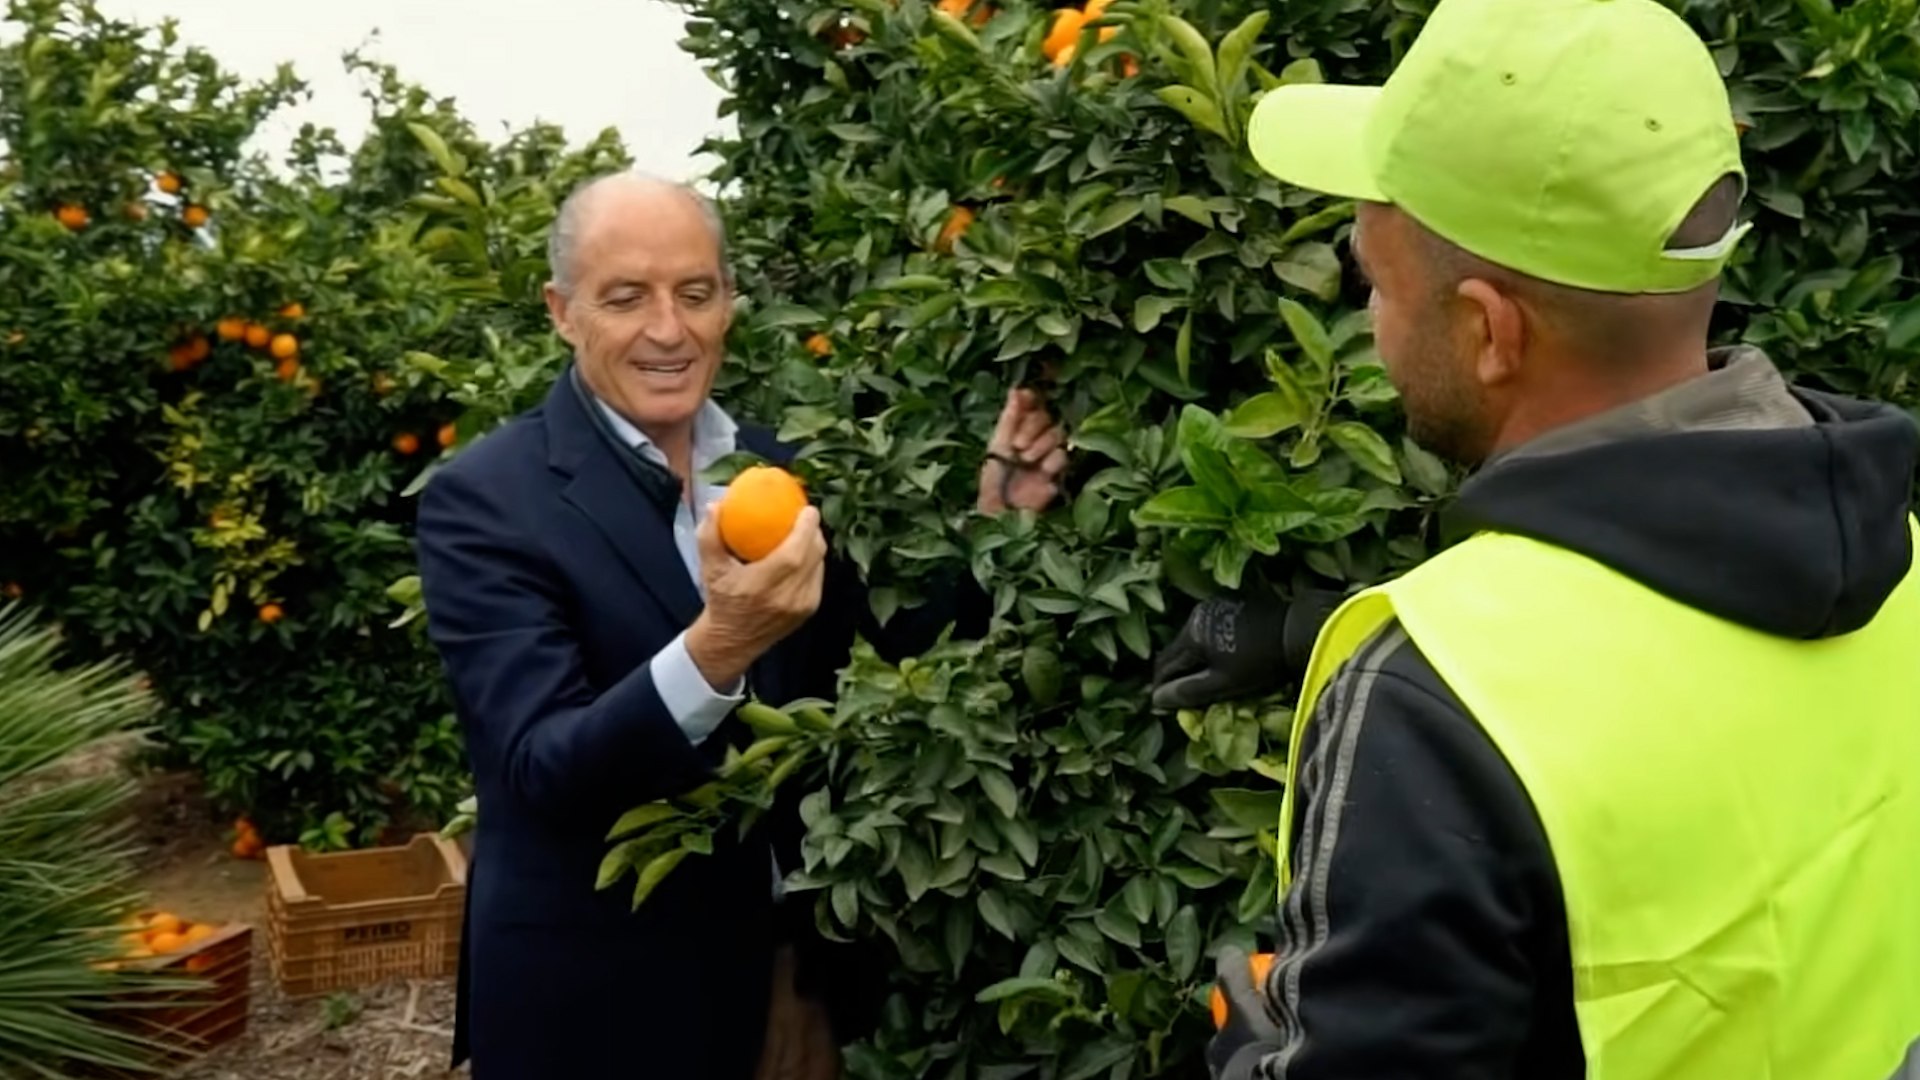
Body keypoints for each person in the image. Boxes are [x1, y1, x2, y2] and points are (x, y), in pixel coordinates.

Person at [1197, 0, 1920, 1076]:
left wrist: (1264, 1055)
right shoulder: (1894, 549)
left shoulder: (1428, 701)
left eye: (1378, 284)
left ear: (1490, 330)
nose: (1374, 326)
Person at [413, 172, 1068, 1080]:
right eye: (625, 297)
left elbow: (881, 668)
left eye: (695, 293)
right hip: (594, 1008)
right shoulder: (486, 501)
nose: (668, 330)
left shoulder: (781, 467)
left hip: (777, 987)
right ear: (562, 312)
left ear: (729, 302)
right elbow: (540, 771)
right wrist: (721, 645)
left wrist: (997, 524)